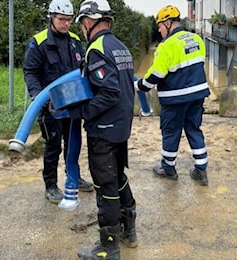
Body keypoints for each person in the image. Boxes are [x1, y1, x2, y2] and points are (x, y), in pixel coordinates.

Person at [69, 0, 138, 258]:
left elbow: (109, 91)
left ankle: (109, 247)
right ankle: (129, 232)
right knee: (118, 177)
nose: (82, 29)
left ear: (89, 21)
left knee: (105, 187)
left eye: (82, 24)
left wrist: (84, 112)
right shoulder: (120, 47)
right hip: (121, 127)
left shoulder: (96, 49)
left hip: (104, 130)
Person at [22, 0, 93, 205]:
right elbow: (30, 72)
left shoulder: (74, 40)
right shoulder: (39, 42)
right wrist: (38, 96)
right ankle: (50, 185)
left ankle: (74, 177)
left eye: (69, 20)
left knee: (73, 144)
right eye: (62, 19)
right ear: (51, 17)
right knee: (53, 146)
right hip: (50, 107)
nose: (66, 24)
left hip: (73, 104)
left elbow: (82, 69)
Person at [135, 5, 210, 186]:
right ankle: (201, 169)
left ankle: (168, 168)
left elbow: (156, 74)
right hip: (198, 94)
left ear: (168, 23)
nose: (160, 30)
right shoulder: (197, 39)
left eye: (160, 26)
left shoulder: (166, 46)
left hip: (175, 98)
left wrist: (140, 86)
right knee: (194, 128)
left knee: (170, 131)